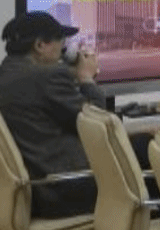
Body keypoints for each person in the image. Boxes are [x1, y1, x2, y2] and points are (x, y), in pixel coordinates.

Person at [0, 12, 111, 218]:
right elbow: (98, 125)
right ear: (40, 45)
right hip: (64, 190)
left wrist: (69, 76)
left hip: (34, 190)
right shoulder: (47, 76)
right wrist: (86, 78)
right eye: (61, 43)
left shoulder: (7, 73)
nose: (63, 50)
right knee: (145, 149)